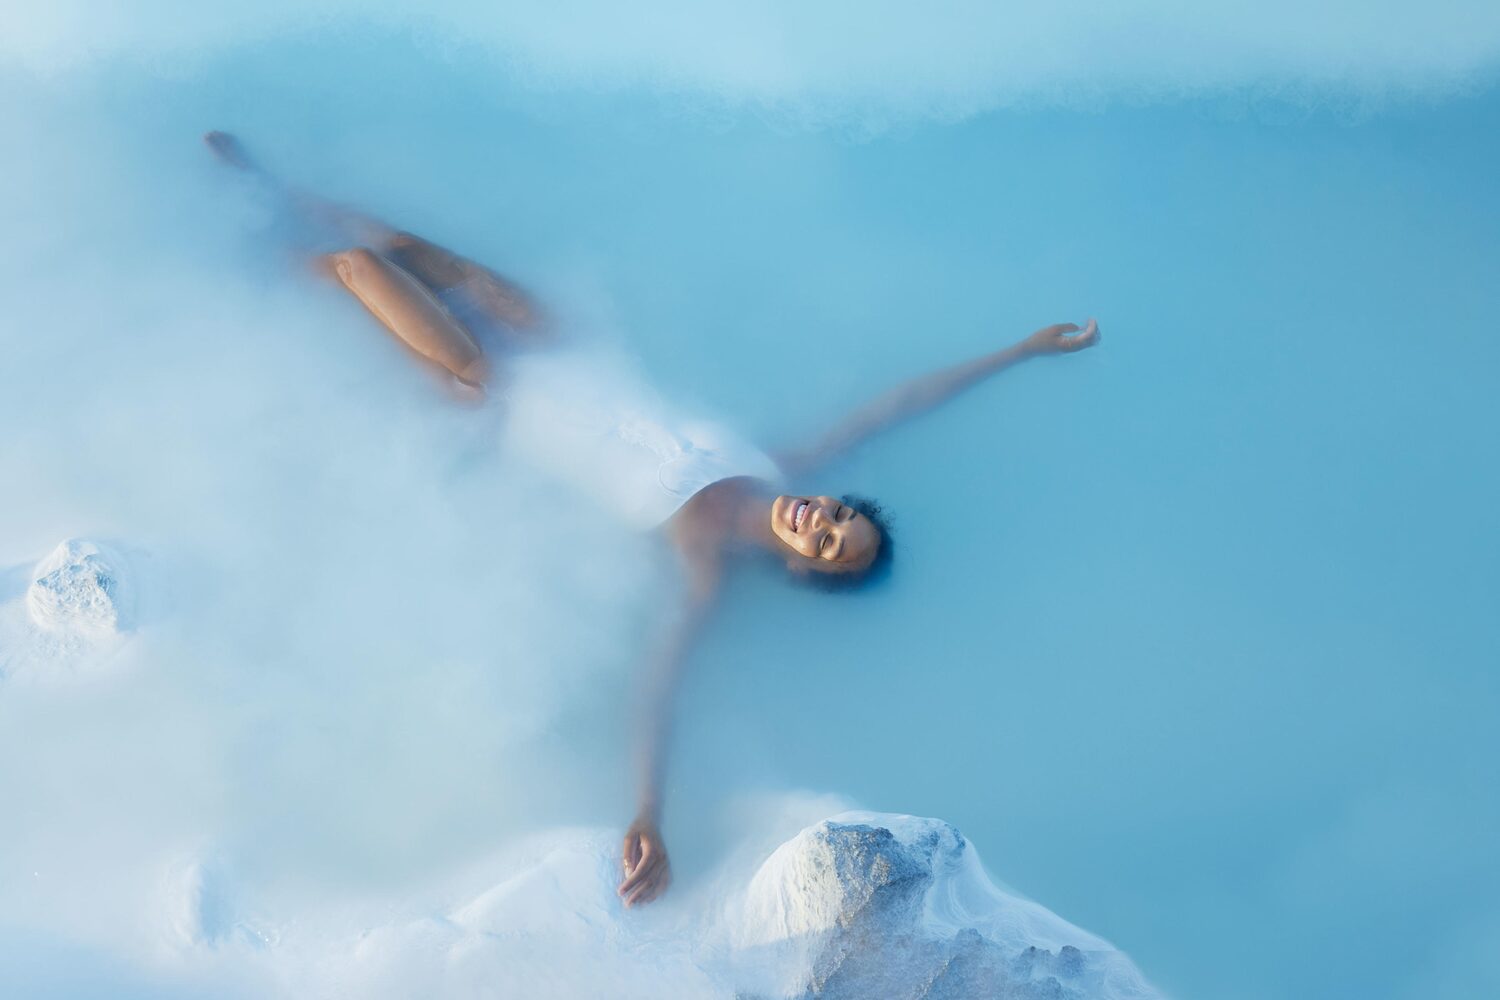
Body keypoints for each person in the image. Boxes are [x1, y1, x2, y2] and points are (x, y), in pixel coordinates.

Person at [204, 131, 1102, 907]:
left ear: (800, 567)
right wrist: (1017, 351)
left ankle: (234, 261)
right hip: (553, 338)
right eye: (838, 515)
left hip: (491, 383)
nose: (820, 519)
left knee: (359, 272)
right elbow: (894, 406)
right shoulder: (777, 467)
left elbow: (659, 688)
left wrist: (646, 815)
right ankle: (271, 189)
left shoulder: (704, 555)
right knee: (406, 245)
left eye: (826, 544)